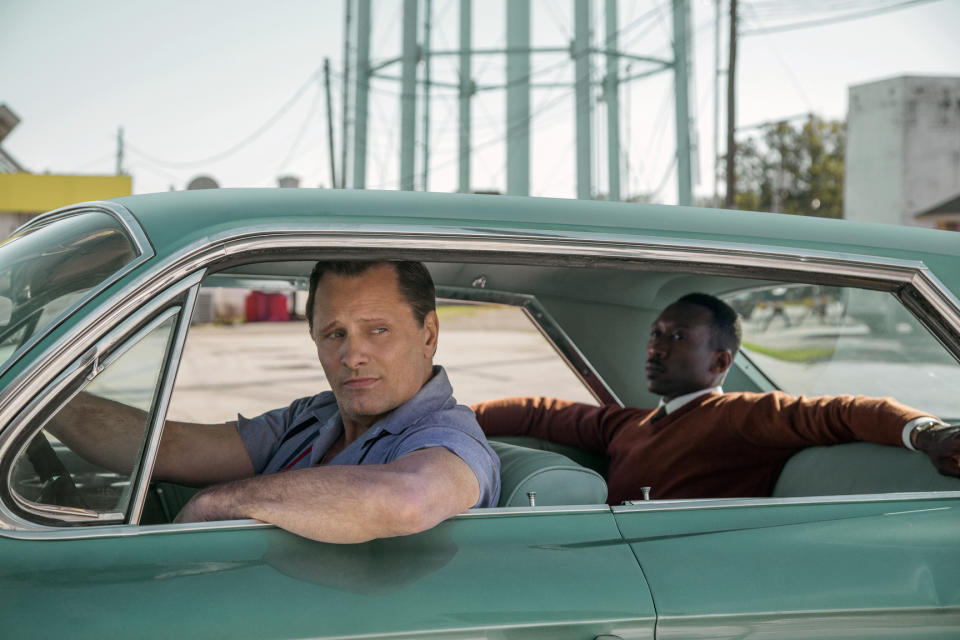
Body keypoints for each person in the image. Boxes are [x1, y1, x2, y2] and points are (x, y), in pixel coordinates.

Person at [51, 260, 500, 542]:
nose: (352, 355)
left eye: (377, 330)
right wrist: (52, 404)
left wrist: (217, 505)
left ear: (428, 335)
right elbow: (167, 448)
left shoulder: (447, 435)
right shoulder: (313, 417)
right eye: (334, 334)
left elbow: (408, 499)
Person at [472, 292, 960, 503]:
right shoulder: (627, 425)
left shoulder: (739, 415)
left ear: (721, 363)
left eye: (678, 337)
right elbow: (542, 413)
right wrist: (457, 417)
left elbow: (844, 413)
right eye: (656, 333)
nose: (656, 347)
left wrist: (928, 432)